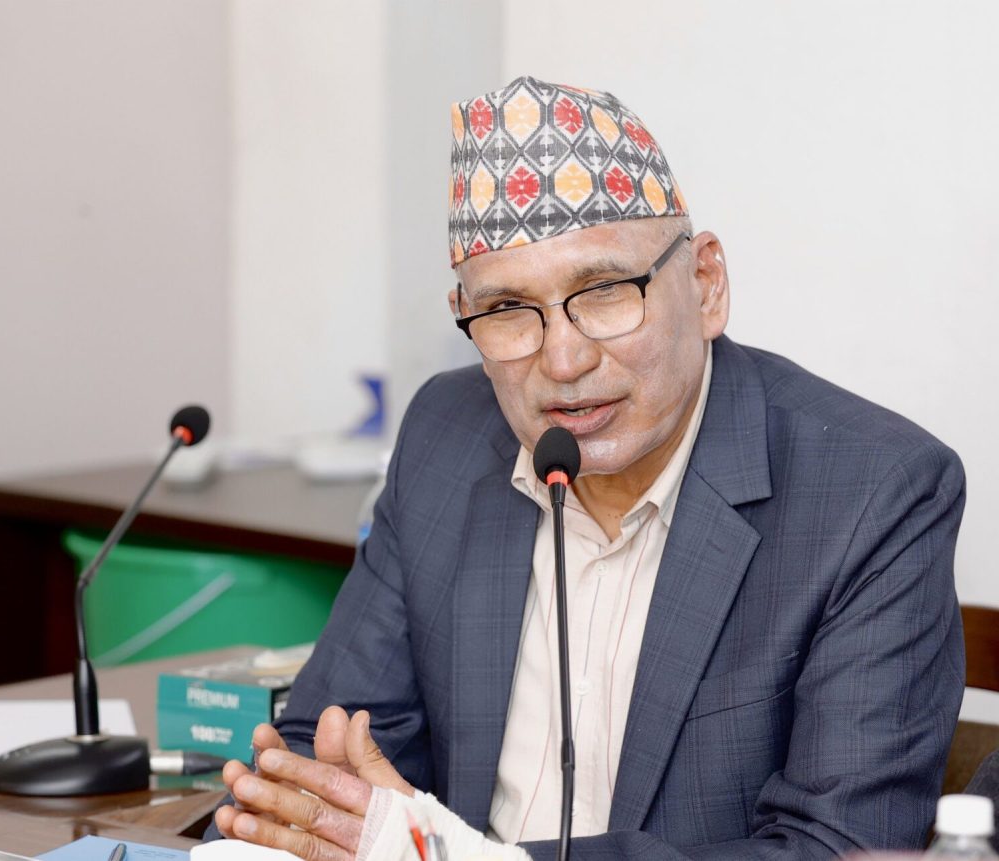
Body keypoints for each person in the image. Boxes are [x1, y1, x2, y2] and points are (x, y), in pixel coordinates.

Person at [206, 76, 966, 859]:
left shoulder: (872, 491)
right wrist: (294, 819)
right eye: (507, 310)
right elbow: (324, 751)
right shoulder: (446, 437)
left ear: (706, 285)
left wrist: (453, 856)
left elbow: (838, 847)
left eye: (604, 292)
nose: (563, 360)